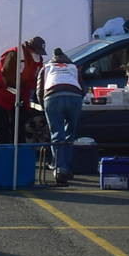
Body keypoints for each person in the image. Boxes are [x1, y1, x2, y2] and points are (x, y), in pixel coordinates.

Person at [38, 46, 85, 185]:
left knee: (57, 134)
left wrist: (43, 105)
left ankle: (60, 170)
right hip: (74, 97)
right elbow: (83, 87)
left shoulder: (46, 68)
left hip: (53, 98)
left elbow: (40, 89)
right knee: (70, 133)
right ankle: (68, 168)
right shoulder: (73, 67)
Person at [0, 35, 44, 143]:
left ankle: (18, 151)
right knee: (1, 128)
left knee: (19, 127)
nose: (38, 54)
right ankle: (1, 151)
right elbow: (6, 76)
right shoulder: (15, 54)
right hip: (0, 92)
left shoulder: (37, 60)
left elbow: (34, 79)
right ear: (30, 48)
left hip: (17, 95)